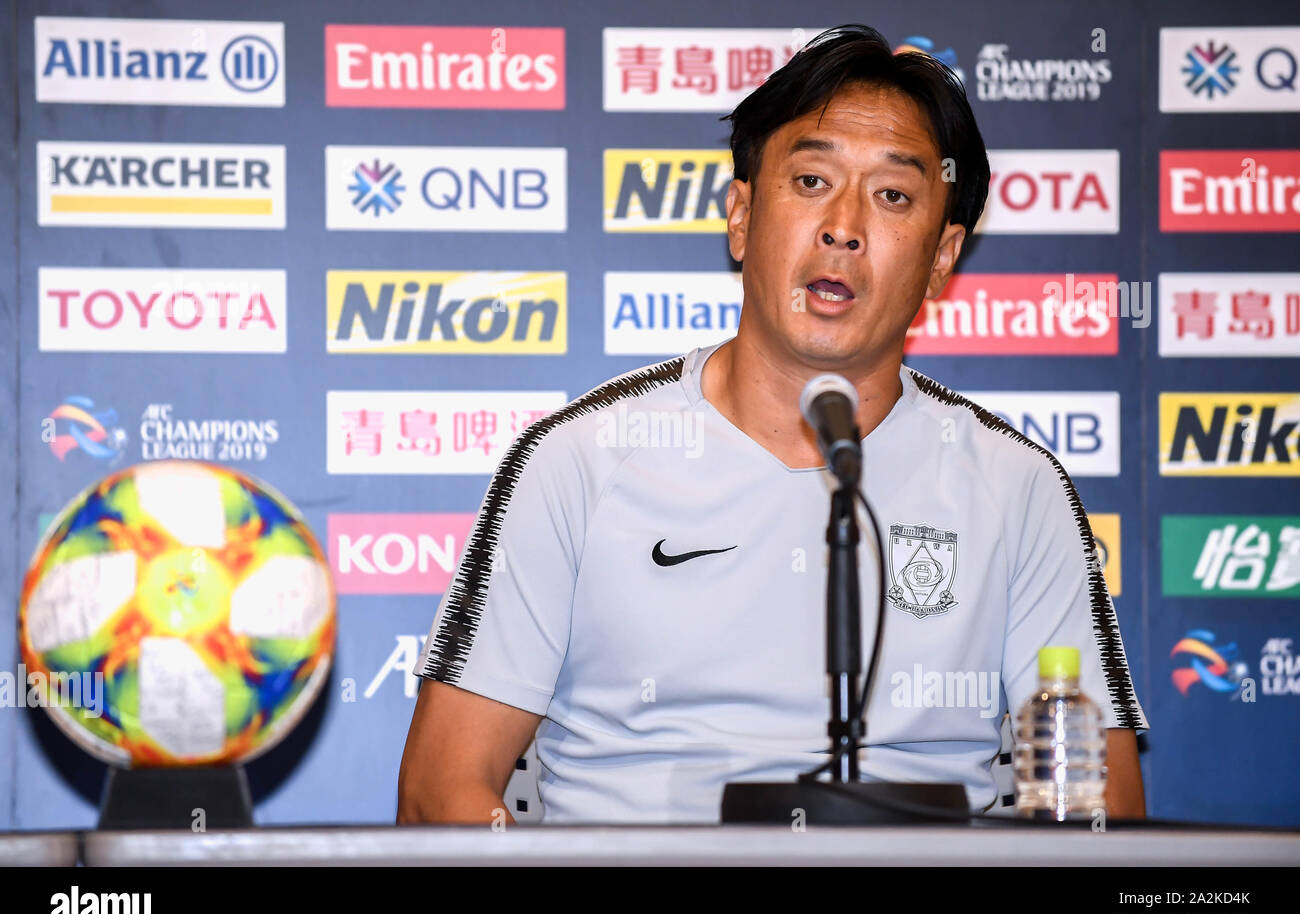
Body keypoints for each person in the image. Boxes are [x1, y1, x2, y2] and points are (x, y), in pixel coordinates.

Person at [397, 24, 1148, 825]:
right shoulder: (579, 461)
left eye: (893, 195)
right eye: (813, 180)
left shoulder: (1017, 488)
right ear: (741, 216)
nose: (844, 226)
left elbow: (1101, 814)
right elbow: (439, 788)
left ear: (942, 257)